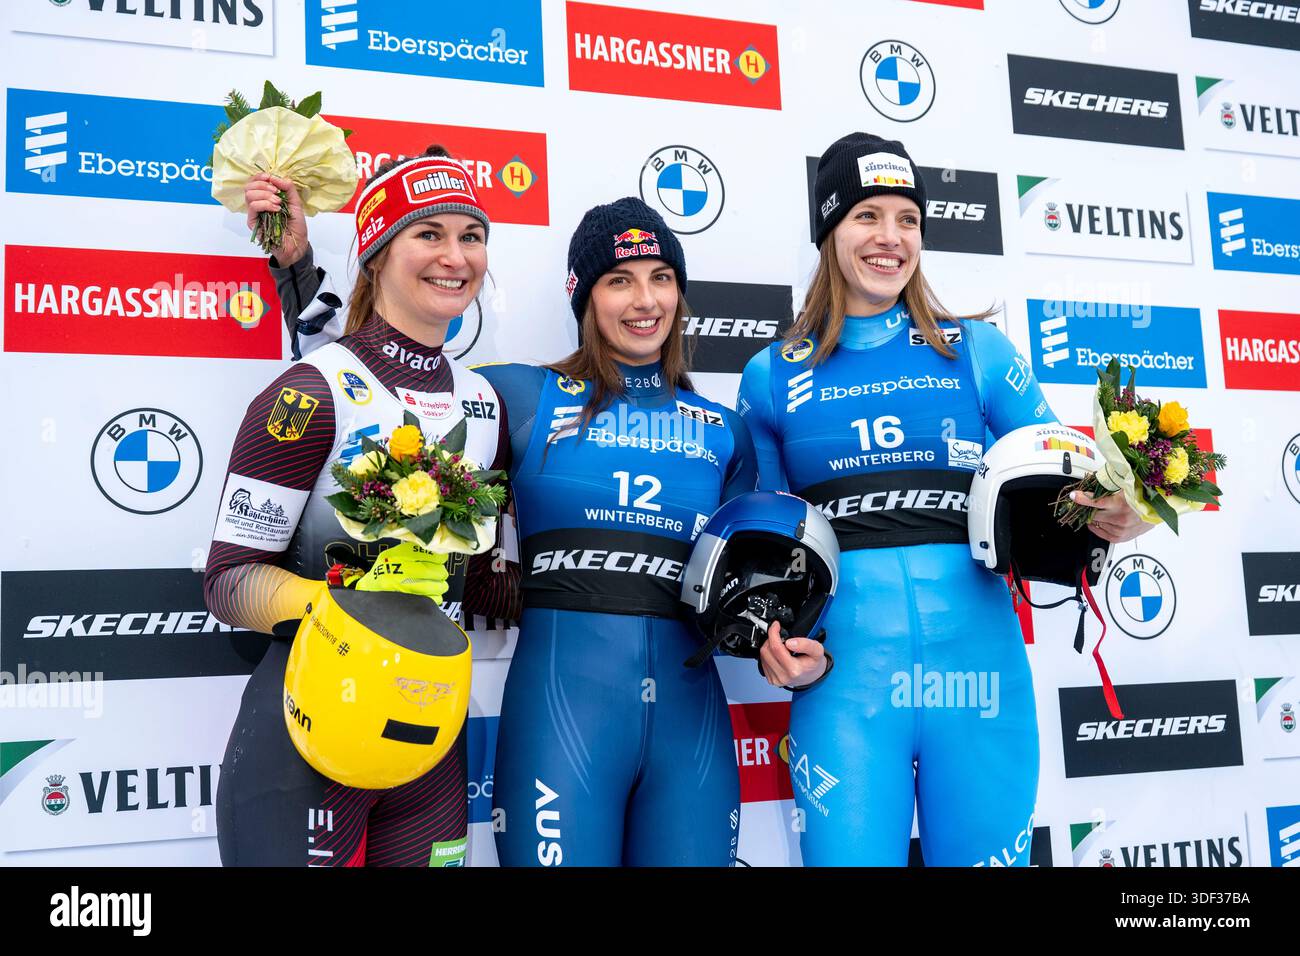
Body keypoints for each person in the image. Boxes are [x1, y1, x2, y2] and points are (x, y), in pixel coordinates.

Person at [273, 196, 759, 865]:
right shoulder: (521, 397)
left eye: (661, 277)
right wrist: (298, 269)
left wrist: (783, 644)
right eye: (619, 280)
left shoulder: (725, 431)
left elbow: (746, 594)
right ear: (585, 298)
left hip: (692, 734)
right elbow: (379, 383)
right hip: (564, 722)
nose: (644, 300)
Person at [738, 133, 1152, 867]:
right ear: (830, 229)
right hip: (847, 691)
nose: (890, 238)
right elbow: (766, 549)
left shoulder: (980, 351)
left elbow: (1074, 488)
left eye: (908, 218)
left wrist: (1124, 514)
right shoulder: (771, 374)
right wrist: (772, 641)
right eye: (868, 215)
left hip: (981, 676)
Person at [204, 147, 517, 867]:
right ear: (377, 254)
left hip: (431, 740)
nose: (455, 256)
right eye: (428, 234)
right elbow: (228, 582)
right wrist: (340, 604)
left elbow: (492, 583)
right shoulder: (310, 392)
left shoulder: (484, 405)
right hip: (310, 733)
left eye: (471, 236)